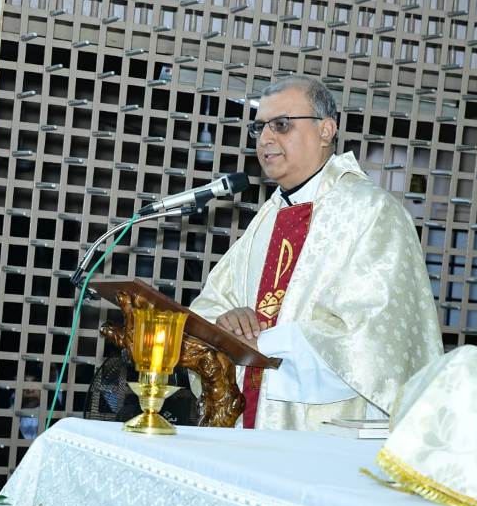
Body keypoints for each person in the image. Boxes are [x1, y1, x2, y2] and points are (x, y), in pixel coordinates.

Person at [189, 75, 443, 430]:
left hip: (326, 430)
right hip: (250, 418)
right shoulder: (268, 218)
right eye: (259, 127)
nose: (265, 139)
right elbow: (210, 305)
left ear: (326, 131)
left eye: (281, 125)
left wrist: (267, 342)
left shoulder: (371, 211)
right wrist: (225, 322)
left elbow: (377, 338)